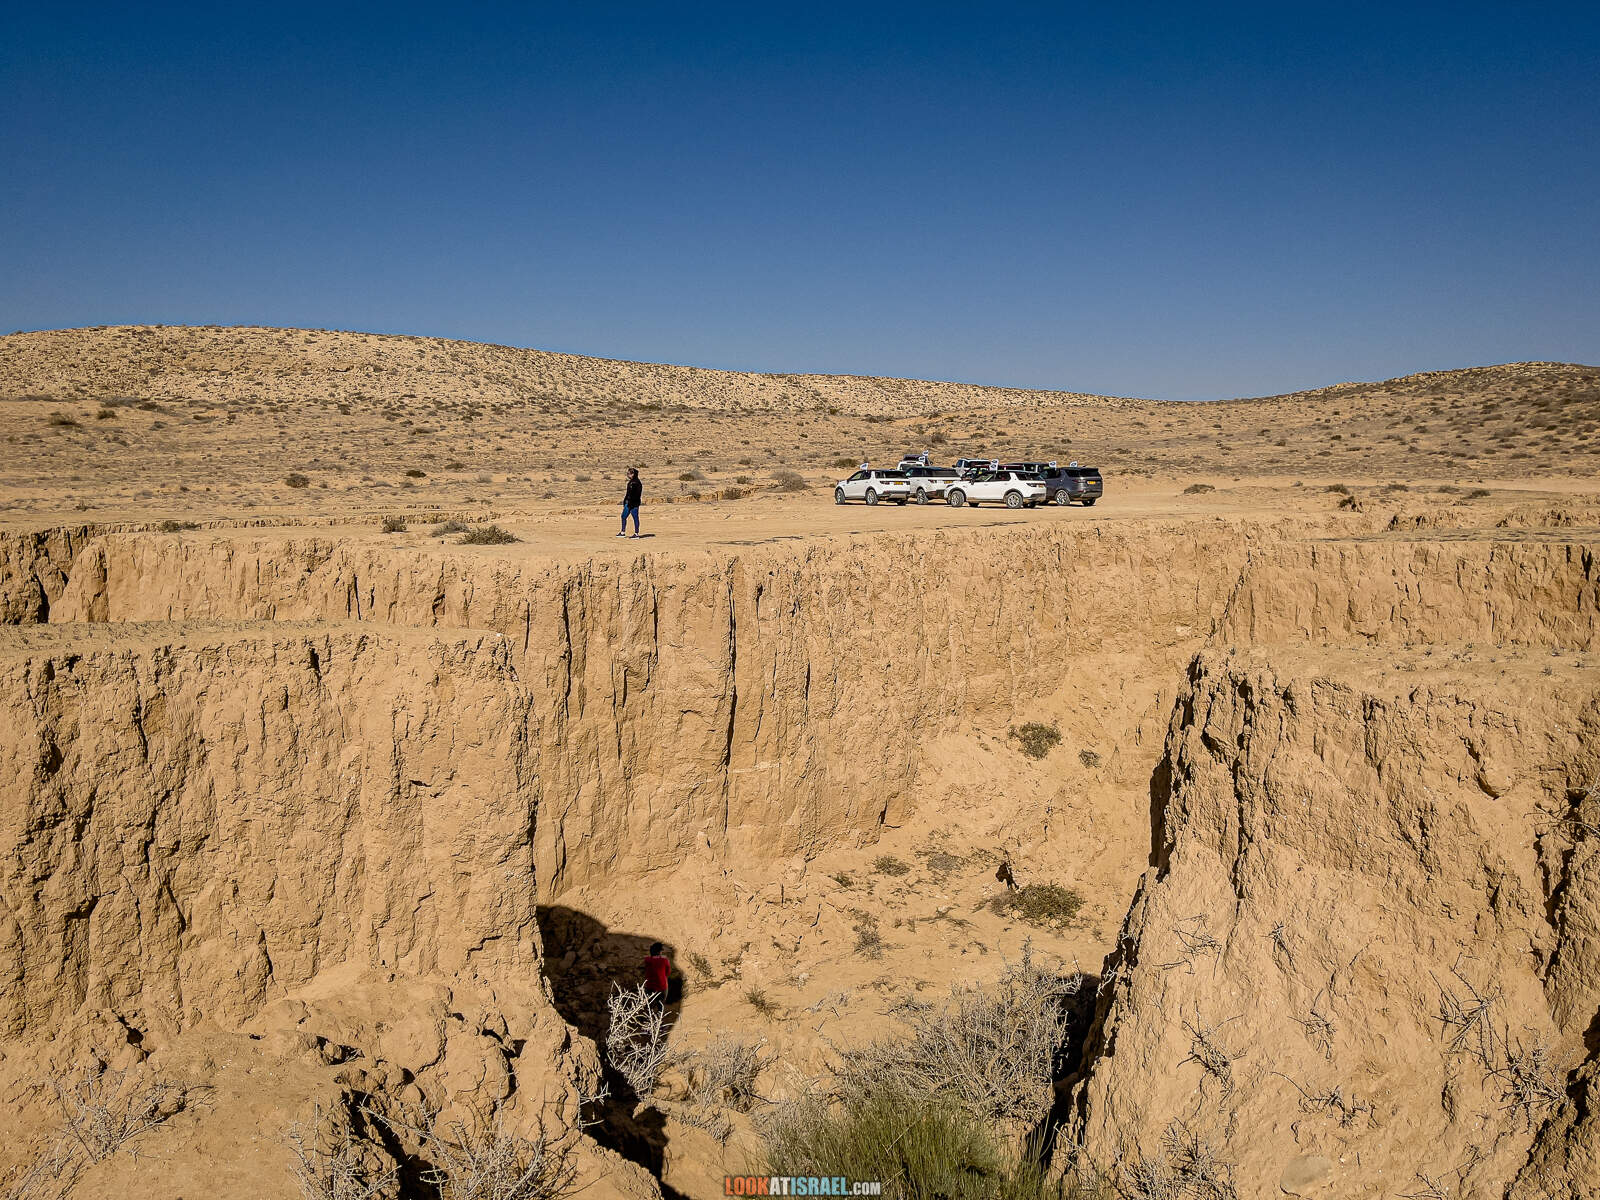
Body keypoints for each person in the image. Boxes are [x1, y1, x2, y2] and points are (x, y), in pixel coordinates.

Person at [619, 467, 642, 538]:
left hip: (634, 504)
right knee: (623, 516)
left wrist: (632, 503)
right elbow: (628, 493)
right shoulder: (631, 482)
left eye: (629, 474)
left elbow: (636, 495)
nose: (628, 475)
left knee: (635, 518)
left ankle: (636, 533)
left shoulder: (637, 483)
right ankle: (622, 532)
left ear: (633, 474)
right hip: (628, 503)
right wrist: (625, 500)